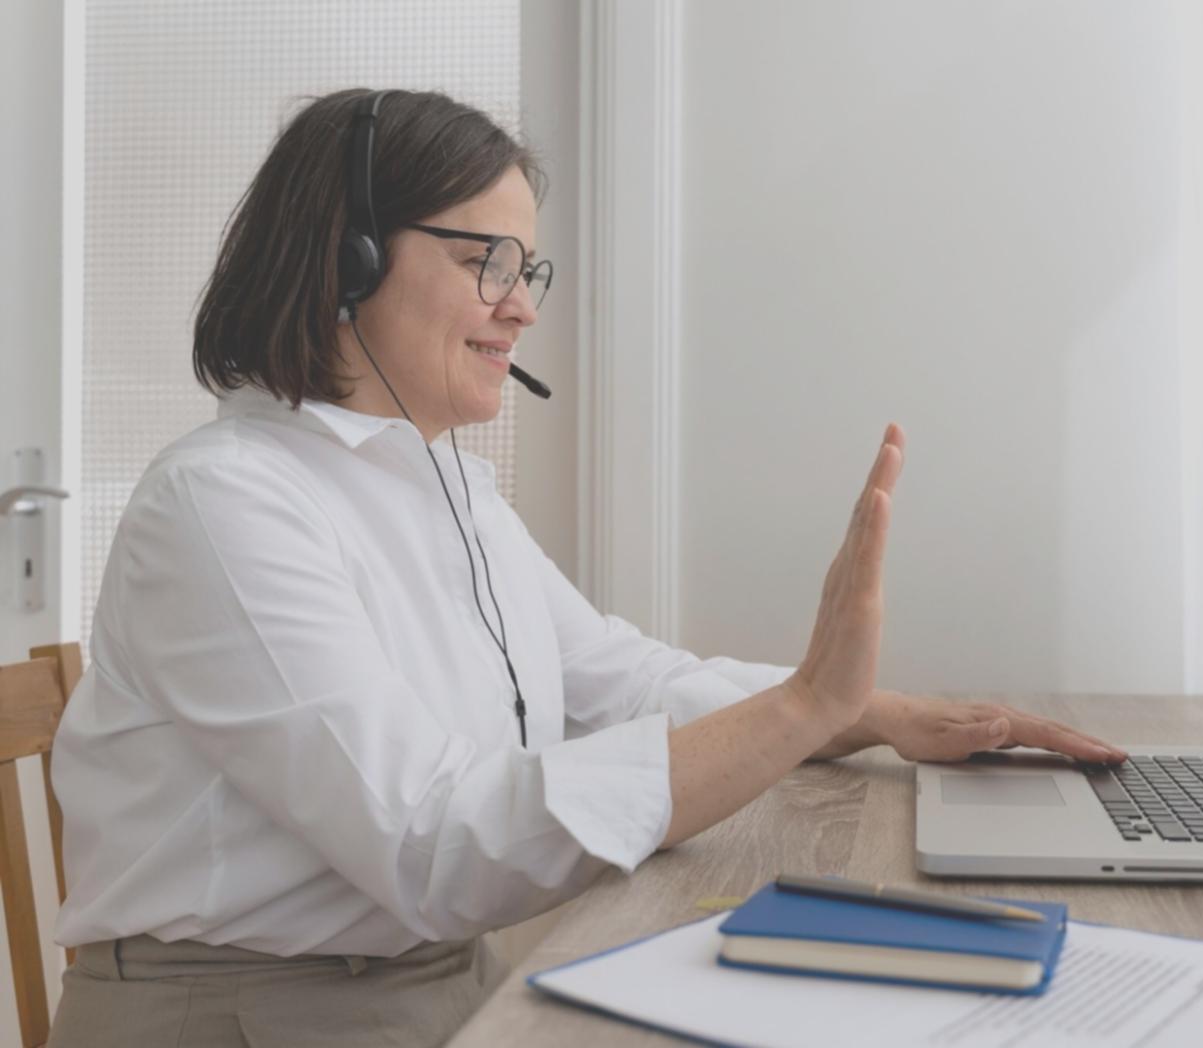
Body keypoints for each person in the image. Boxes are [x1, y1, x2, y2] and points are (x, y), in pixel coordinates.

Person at [47, 88, 1125, 1046]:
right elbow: (433, 846)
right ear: (350, 259)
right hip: (249, 1014)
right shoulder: (223, 504)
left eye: (527, 269)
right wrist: (802, 707)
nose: (521, 305)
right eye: (486, 261)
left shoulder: (444, 485)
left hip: (427, 983)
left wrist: (875, 715)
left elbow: (621, 678)